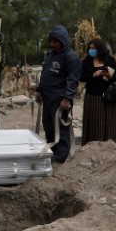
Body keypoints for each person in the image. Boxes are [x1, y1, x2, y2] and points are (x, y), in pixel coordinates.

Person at [36, 25, 81, 163]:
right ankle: (52, 151)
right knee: (48, 125)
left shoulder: (71, 57)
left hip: (59, 98)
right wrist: (39, 90)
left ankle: (61, 155)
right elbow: (45, 73)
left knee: (60, 127)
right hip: (47, 97)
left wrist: (67, 98)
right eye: (51, 41)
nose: (52, 44)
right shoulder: (50, 54)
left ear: (63, 41)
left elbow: (73, 80)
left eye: (56, 41)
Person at [79, 38, 116, 145]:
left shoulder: (109, 60)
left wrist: (109, 75)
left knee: (110, 125)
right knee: (95, 125)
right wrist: (93, 75)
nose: (91, 50)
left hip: (109, 98)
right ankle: (93, 147)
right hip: (93, 98)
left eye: (94, 48)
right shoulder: (87, 62)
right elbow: (80, 77)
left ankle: (110, 147)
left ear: (100, 49)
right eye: (90, 48)